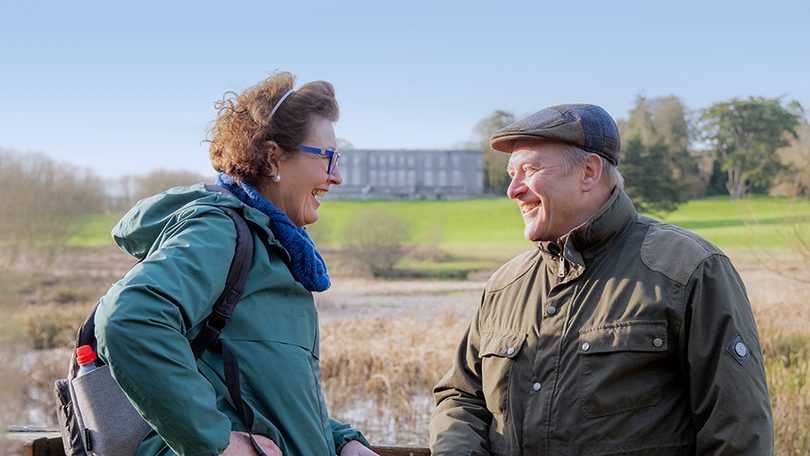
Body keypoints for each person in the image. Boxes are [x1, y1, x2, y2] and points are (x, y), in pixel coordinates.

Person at [428, 104, 773, 455]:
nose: (513, 190)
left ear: (589, 172)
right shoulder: (505, 286)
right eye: (511, 174)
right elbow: (461, 397)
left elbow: (739, 434)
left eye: (529, 170)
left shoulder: (689, 270)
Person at [94, 71, 378, 456]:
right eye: (327, 157)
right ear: (274, 157)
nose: (337, 176)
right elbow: (128, 319)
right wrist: (219, 442)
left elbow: (263, 398)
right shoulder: (219, 231)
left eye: (337, 158)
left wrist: (340, 441)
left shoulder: (274, 250)